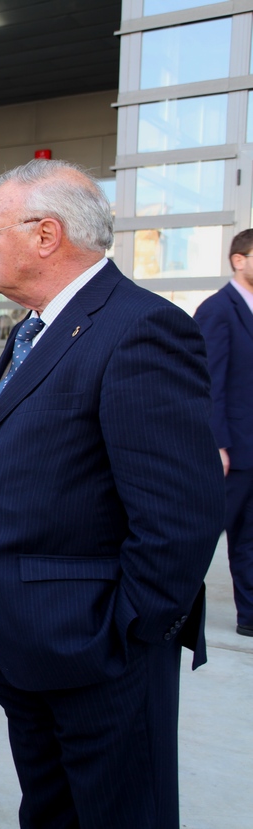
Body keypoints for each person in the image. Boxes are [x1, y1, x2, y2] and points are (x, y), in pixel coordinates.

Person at [0, 159, 224, 828]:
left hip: (98, 654)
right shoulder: (33, 328)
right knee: (52, 812)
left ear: (46, 234)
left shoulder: (139, 328)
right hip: (29, 645)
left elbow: (180, 513)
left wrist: (123, 632)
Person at [195, 229, 253, 637]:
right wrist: (216, 444)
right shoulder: (218, 310)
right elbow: (208, 381)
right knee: (201, 537)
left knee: (250, 539)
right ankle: (168, 607)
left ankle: (249, 616)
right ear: (239, 260)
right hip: (230, 450)